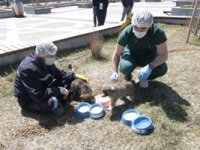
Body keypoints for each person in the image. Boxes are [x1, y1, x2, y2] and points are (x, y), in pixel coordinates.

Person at [14, 41, 76, 117]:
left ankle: (60, 98)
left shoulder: (46, 61)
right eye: (52, 56)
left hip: (44, 89)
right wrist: (58, 90)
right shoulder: (28, 69)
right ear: (43, 56)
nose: (54, 58)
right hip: (29, 99)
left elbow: (59, 74)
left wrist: (74, 75)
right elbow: (37, 95)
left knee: (69, 80)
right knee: (53, 101)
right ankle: (56, 103)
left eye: (54, 55)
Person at [110, 10, 168, 88]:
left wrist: (150, 66)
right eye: (135, 27)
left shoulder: (157, 32)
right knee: (125, 67)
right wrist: (114, 72)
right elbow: (116, 54)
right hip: (131, 53)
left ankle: (144, 77)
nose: (138, 30)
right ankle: (128, 78)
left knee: (162, 68)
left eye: (143, 28)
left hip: (149, 54)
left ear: (150, 26)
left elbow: (163, 55)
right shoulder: (127, 32)